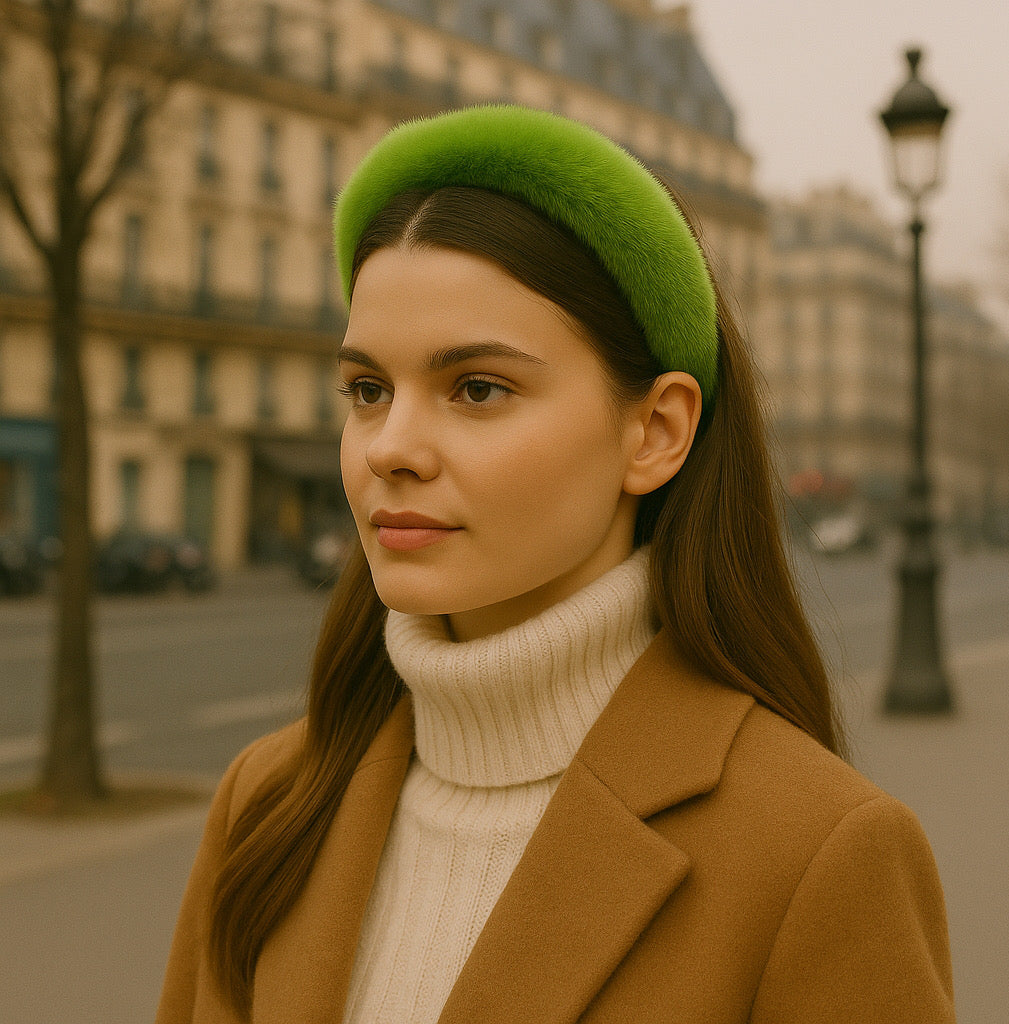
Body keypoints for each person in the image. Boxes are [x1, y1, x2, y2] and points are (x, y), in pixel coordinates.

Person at [156, 106, 955, 1024]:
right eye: (368, 390)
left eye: (478, 389)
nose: (390, 447)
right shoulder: (267, 801)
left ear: (655, 433)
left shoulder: (817, 853)